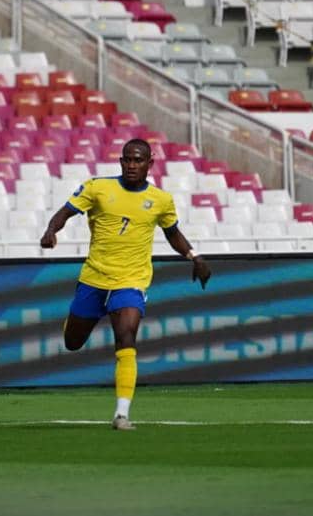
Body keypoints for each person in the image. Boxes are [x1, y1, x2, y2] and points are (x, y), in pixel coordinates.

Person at [40, 138, 211, 430]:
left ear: (149, 164)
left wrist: (194, 256)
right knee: (72, 343)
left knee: (127, 335)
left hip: (131, 280)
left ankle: (122, 414)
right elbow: (65, 212)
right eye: (127, 160)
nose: (132, 165)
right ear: (121, 162)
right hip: (94, 278)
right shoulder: (98, 187)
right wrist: (50, 231)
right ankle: (73, 324)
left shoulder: (161, 200)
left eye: (138, 160)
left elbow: (172, 233)